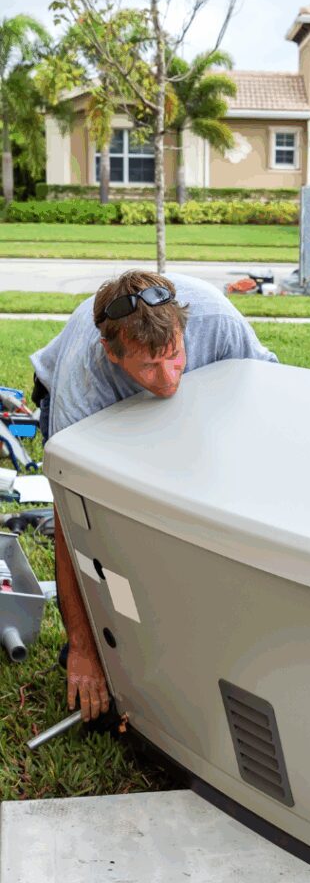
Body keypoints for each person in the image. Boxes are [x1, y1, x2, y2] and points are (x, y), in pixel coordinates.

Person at [31, 270, 278, 723]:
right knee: (108, 524)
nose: (166, 379)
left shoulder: (216, 319)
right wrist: (84, 649)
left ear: (185, 331)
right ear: (111, 352)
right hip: (93, 413)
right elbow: (70, 519)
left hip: (189, 401)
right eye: (148, 366)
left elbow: (265, 400)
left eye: (174, 356)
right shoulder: (83, 383)